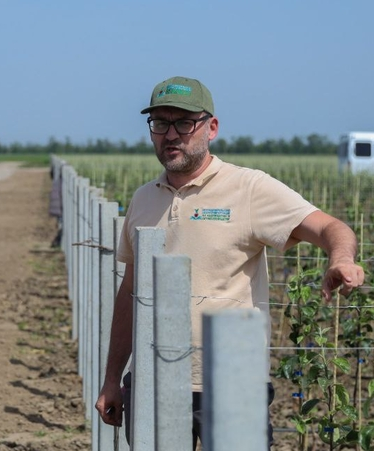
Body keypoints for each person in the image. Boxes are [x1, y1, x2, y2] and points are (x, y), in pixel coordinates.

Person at [94, 76, 365, 449]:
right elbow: (130, 292)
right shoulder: (143, 199)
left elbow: (330, 227)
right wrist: (112, 378)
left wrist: (341, 258)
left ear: (212, 128)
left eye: (184, 123)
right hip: (152, 380)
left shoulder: (249, 188)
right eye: (160, 123)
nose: (171, 134)